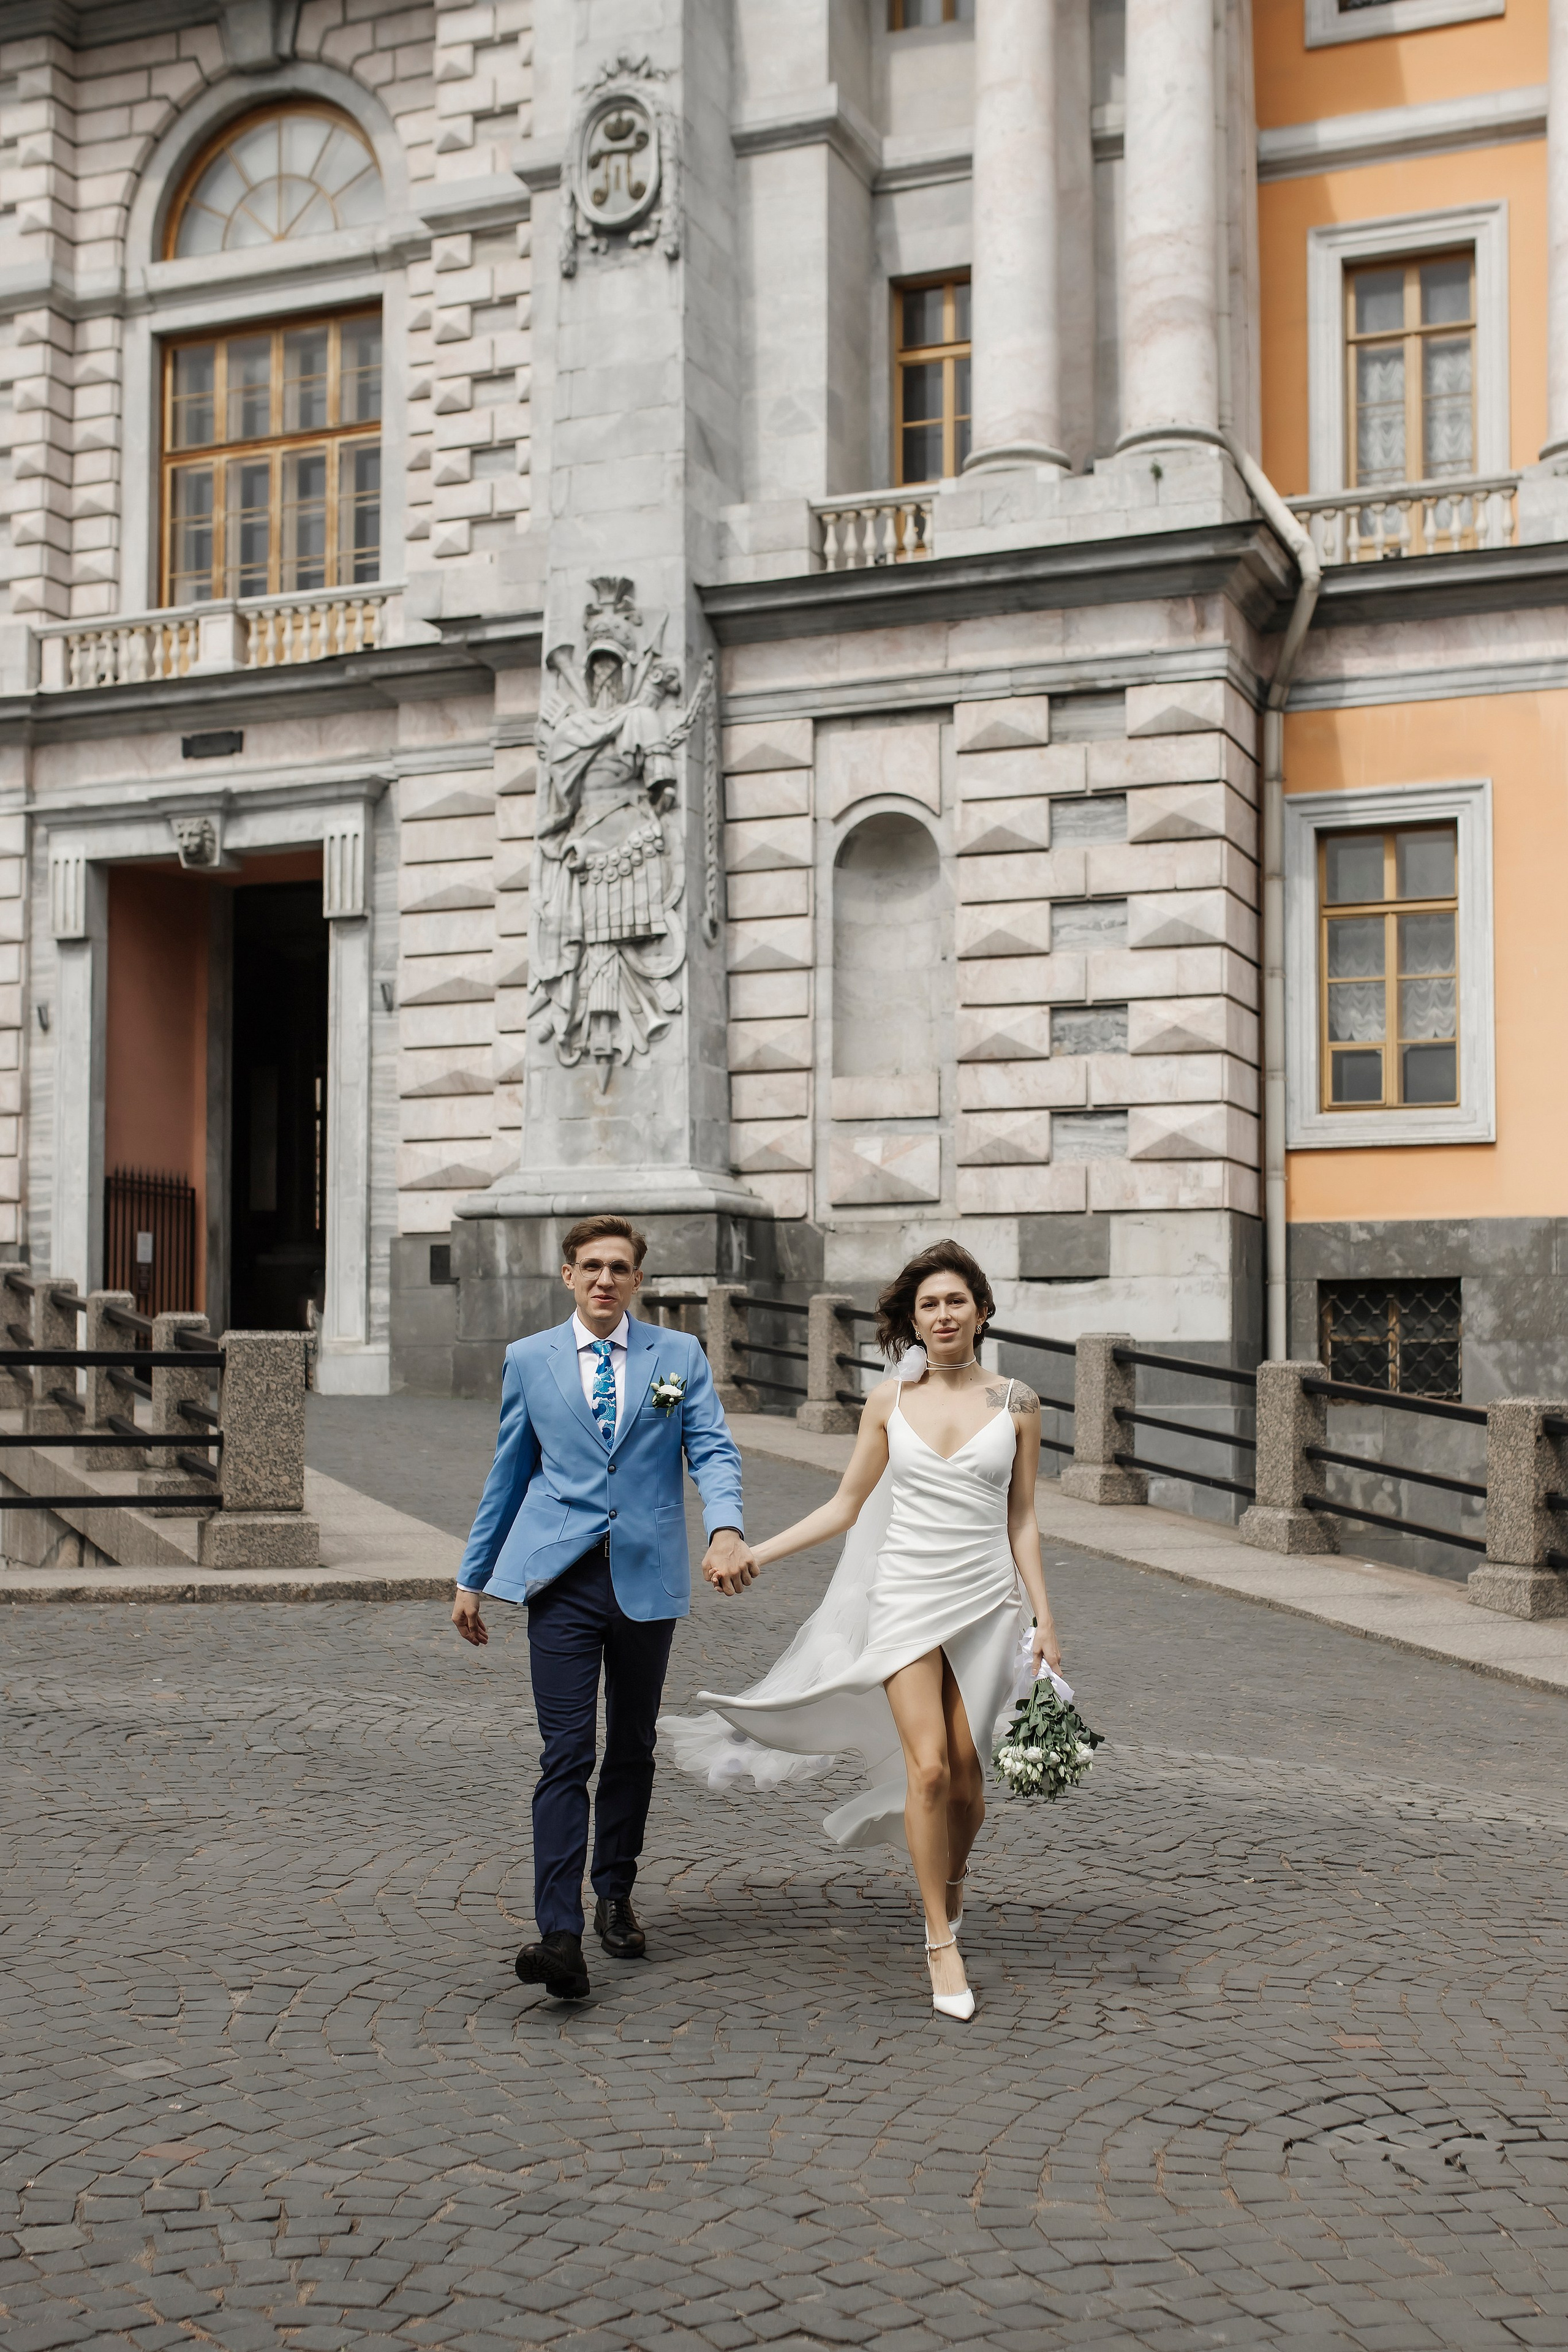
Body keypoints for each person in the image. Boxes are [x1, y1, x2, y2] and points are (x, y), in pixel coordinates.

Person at [660, 1241, 1062, 2022]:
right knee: (930, 1772)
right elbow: (844, 1506)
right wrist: (755, 1552)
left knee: (970, 1783)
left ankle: (950, 1880)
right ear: (913, 1320)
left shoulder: (1018, 1402)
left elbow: (1023, 1519)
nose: (942, 1316)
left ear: (981, 1311)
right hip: (904, 1600)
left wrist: (1045, 1618)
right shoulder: (888, 1402)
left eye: (954, 1302)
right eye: (928, 1305)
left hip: (989, 1602)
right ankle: (939, 1940)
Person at [452, 1213, 755, 2002]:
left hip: (646, 1577)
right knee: (565, 1754)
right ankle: (558, 1935)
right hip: (560, 1578)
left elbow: (711, 1448)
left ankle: (614, 1894)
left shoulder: (676, 1356)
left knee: (630, 1747)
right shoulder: (530, 1359)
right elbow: (508, 1473)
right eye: (591, 1266)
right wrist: (472, 1576)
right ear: (568, 1275)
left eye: (619, 1267)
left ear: (637, 1280)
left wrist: (725, 1527)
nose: (604, 1279)